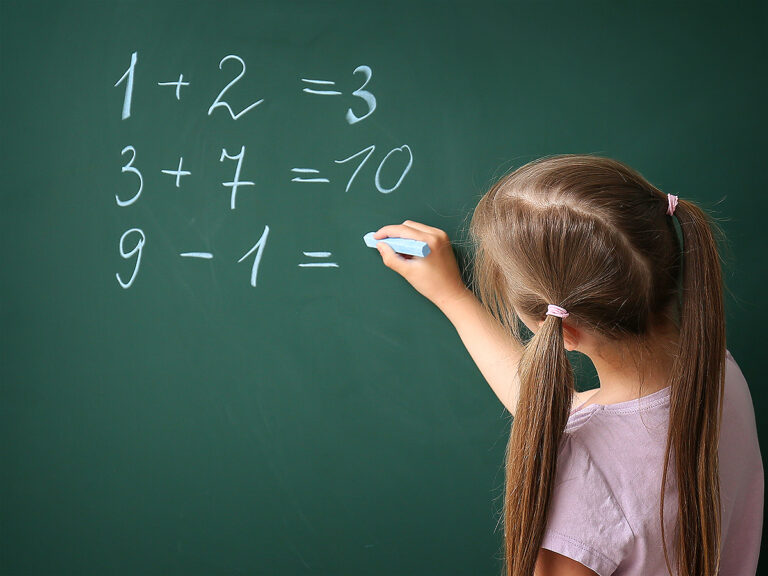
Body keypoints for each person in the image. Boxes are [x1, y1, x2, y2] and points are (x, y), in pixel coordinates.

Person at [371, 154, 763, 576]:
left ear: (563, 331)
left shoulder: (580, 485)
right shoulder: (716, 370)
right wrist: (453, 297)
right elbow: (567, 417)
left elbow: (585, 453)